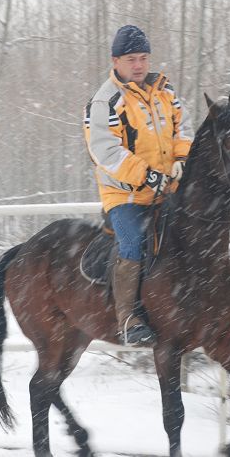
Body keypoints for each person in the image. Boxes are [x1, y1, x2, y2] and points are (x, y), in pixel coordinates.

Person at [83, 25, 192, 346]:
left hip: (168, 188)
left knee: (203, 226)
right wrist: (145, 175)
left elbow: (183, 128)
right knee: (131, 242)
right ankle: (127, 318)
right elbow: (105, 150)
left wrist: (182, 160)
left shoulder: (165, 91)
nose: (140, 65)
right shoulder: (105, 102)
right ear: (115, 61)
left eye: (143, 58)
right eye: (132, 59)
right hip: (126, 194)